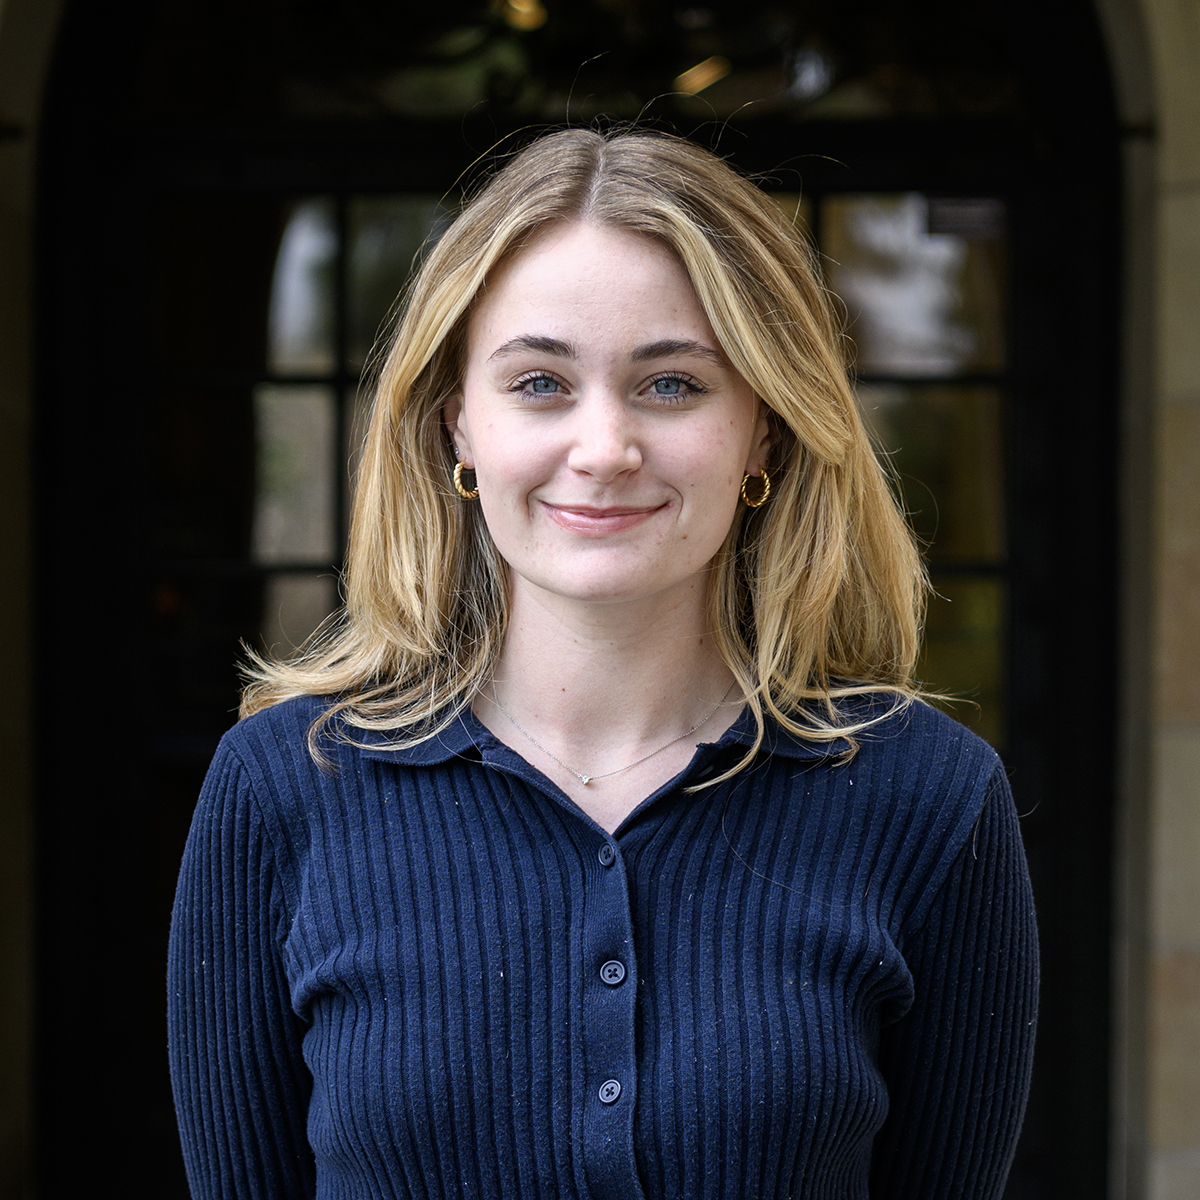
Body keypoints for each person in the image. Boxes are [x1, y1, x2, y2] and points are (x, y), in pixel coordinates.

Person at [168, 127, 1037, 1200]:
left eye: (672, 385)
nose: (604, 447)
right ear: (459, 430)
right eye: (540, 382)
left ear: (762, 430)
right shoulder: (281, 790)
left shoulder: (931, 799)